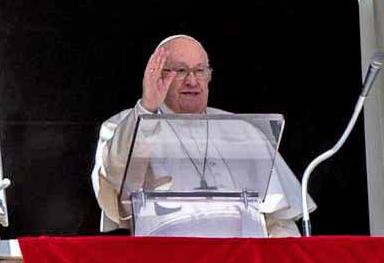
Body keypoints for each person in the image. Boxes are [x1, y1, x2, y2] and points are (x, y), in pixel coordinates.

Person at [91, 35, 315, 237]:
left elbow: (278, 220)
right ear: (157, 75)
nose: (192, 81)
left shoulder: (244, 131)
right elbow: (116, 176)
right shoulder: (124, 124)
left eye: (200, 71)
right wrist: (148, 108)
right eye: (180, 71)